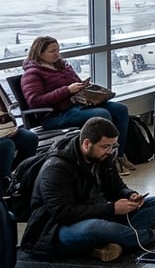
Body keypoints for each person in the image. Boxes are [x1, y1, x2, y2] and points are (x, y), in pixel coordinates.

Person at [21, 117, 155, 262]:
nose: (109, 151)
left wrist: (130, 195)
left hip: (101, 214)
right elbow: (63, 212)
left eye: (112, 146)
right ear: (87, 144)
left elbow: (117, 187)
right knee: (97, 228)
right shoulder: (56, 169)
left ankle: (114, 243)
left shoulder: (102, 157)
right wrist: (112, 208)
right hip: (56, 230)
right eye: (105, 146)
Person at [21, 36, 134, 173]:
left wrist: (83, 87)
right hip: (56, 114)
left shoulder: (63, 66)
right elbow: (35, 101)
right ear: (40, 52)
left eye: (57, 50)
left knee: (120, 109)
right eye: (52, 51)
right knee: (101, 115)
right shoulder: (32, 74)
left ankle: (119, 154)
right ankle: (105, 160)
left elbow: (75, 84)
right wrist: (67, 90)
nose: (57, 54)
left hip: (78, 105)